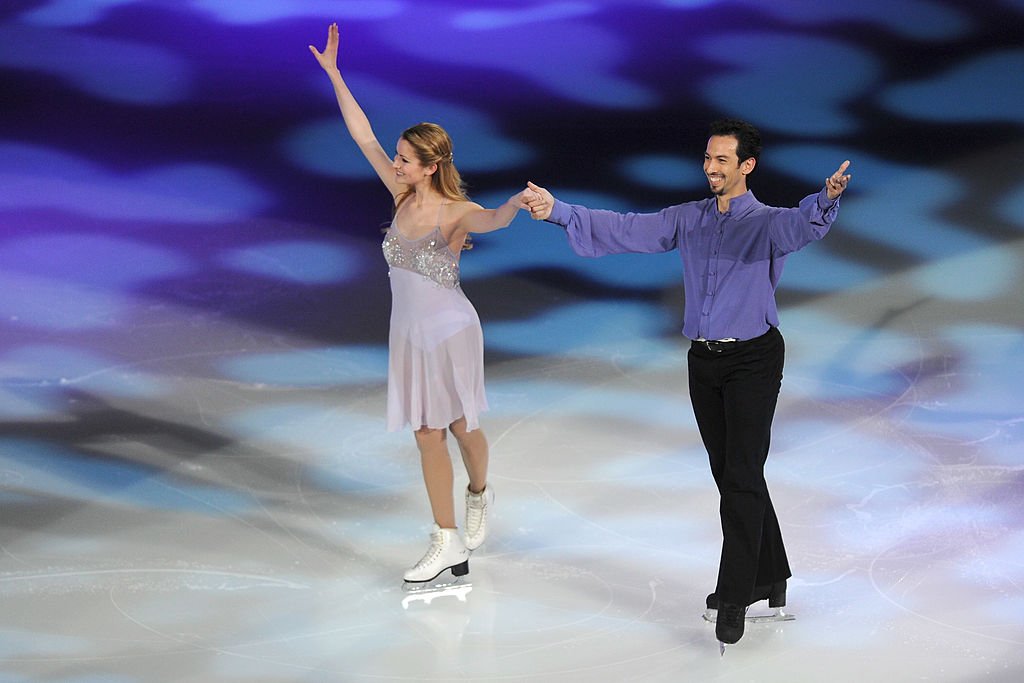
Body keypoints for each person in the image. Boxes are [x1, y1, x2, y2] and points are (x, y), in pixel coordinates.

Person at [525, 119, 851, 646]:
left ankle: (736, 591)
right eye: (708, 158)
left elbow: (801, 226)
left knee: (742, 476)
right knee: (731, 473)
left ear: (747, 166)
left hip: (753, 361)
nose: (710, 168)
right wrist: (560, 211)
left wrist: (826, 199)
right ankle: (772, 576)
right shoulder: (689, 218)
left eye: (722, 160)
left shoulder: (766, 223)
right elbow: (629, 228)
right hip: (704, 361)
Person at [310, 23, 534, 585]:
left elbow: (491, 220)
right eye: (399, 156)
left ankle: (478, 494)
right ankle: (446, 540)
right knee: (427, 432)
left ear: (431, 166)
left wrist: (513, 204)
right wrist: (336, 75)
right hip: (408, 333)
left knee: (460, 427)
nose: (397, 162)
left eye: (406, 159)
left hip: (450, 330)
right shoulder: (400, 193)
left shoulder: (455, 210)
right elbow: (362, 136)